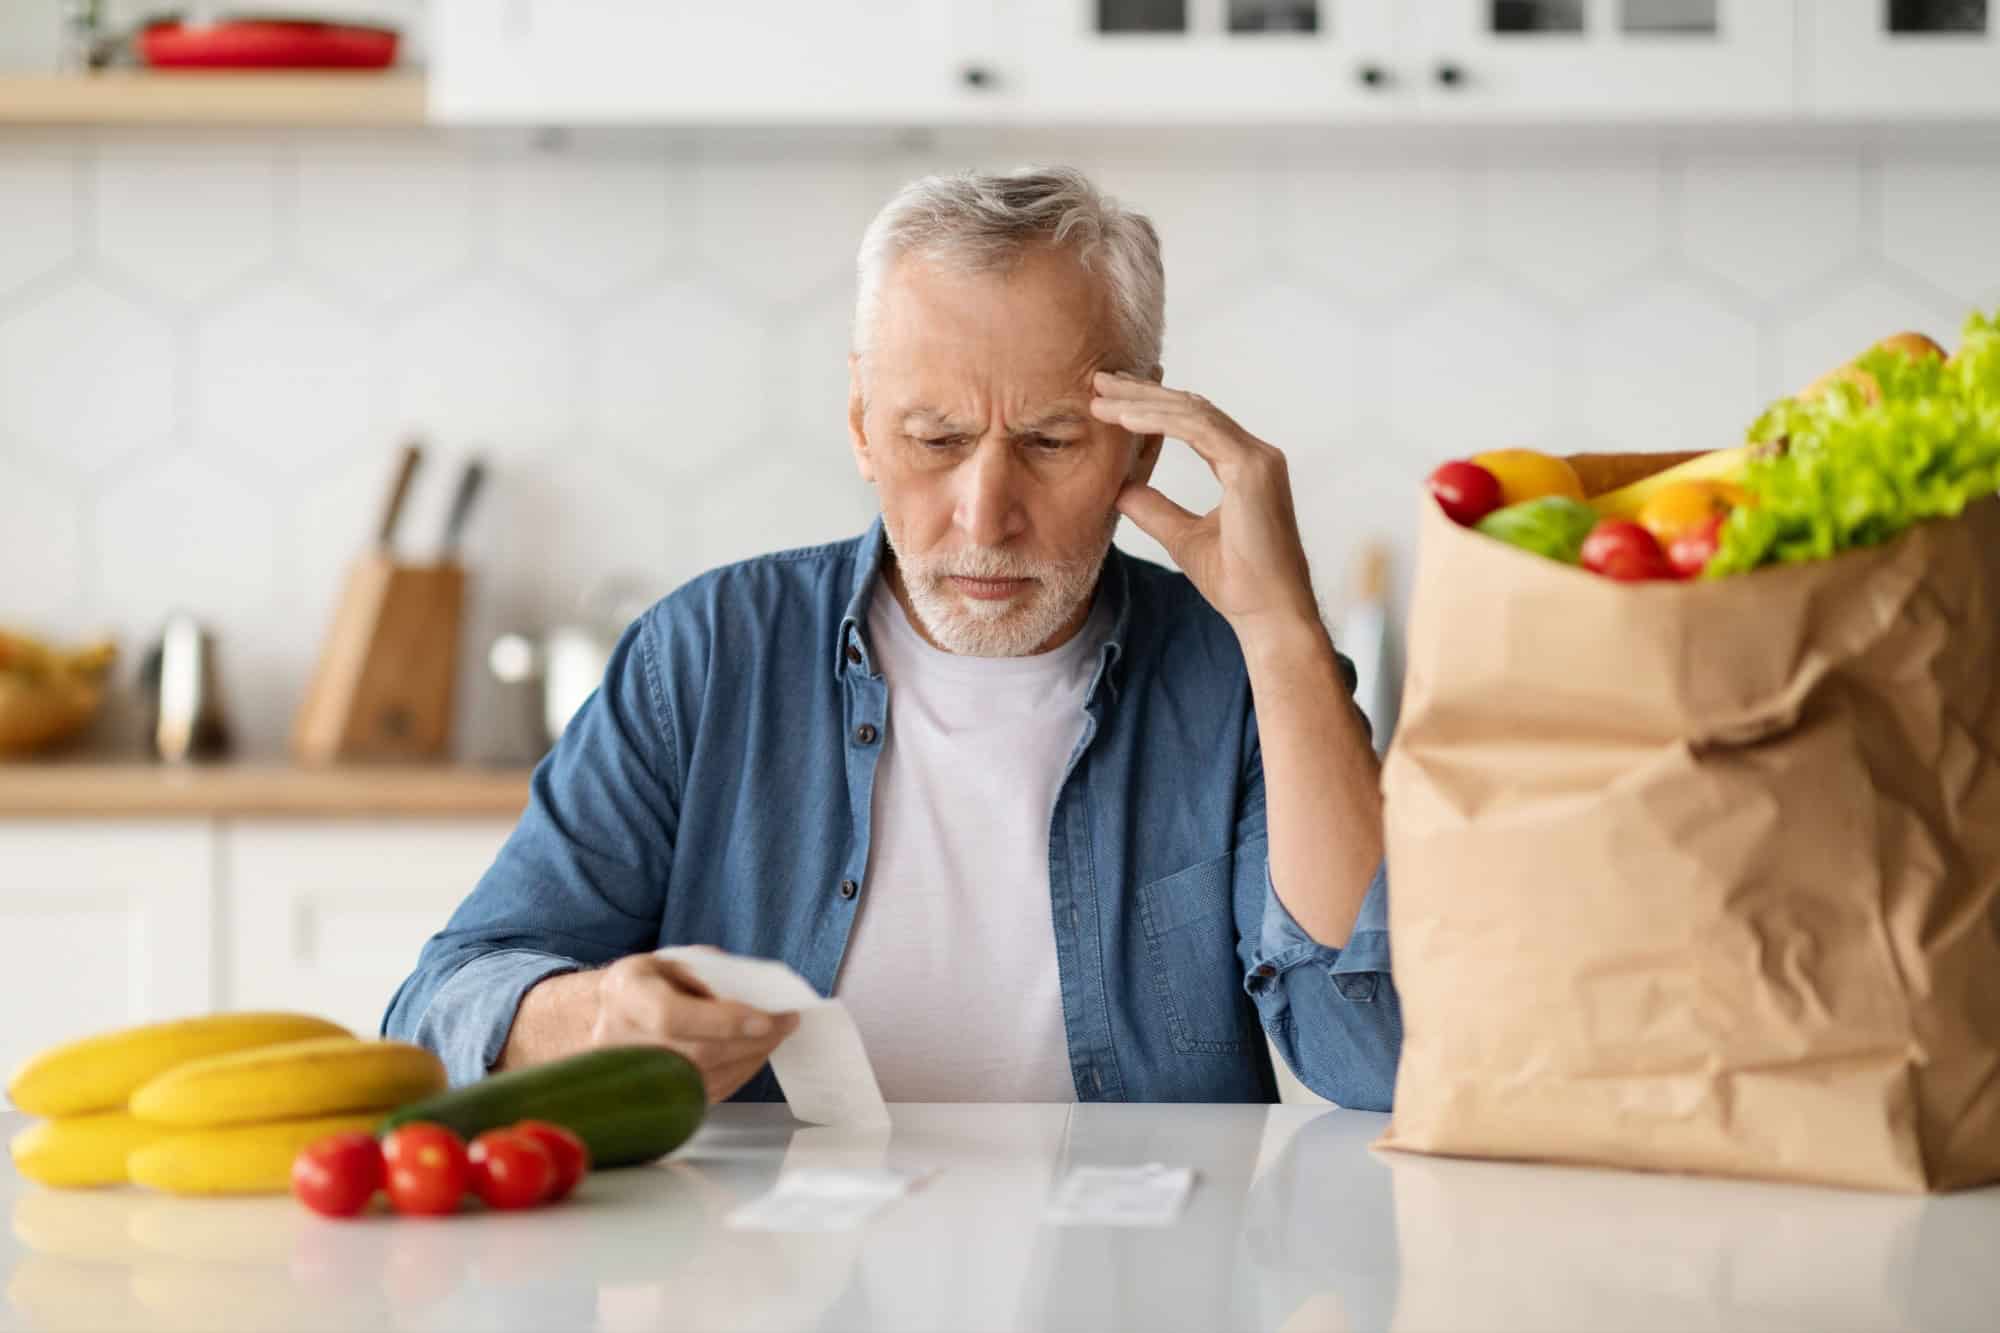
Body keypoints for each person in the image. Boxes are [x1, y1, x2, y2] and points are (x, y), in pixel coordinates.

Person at [384, 166, 1399, 1108]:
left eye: (1049, 441)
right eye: (935, 439)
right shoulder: (702, 655)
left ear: (1139, 444)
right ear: (861, 423)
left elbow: (1377, 1058)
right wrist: (594, 1017)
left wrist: (1282, 635)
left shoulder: (1238, 676)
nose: (984, 515)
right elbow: (439, 1007)